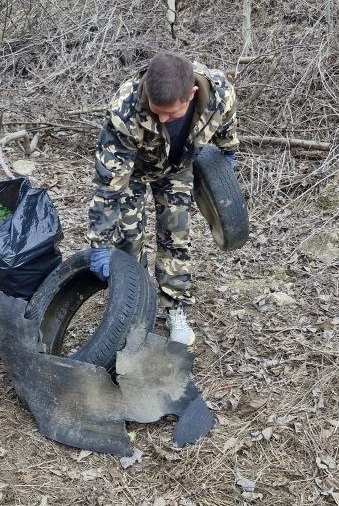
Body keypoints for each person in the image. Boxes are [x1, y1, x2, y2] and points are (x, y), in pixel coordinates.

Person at [86, 51, 239, 345]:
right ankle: (134, 306)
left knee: (175, 235)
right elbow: (108, 185)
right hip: (131, 171)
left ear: (191, 94)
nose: (163, 119)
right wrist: (100, 244)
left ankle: (175, 307)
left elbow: (226, 123)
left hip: (177, 168)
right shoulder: (125, 108)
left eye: (172, 113)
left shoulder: (218, 92)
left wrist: (226, 158)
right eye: (157, 111)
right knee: (128, 239)